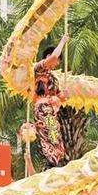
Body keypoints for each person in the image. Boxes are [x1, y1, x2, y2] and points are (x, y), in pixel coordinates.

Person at [33, 35, 70, 167]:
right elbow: (53, 58)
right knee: (49, 134)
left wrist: (65, 95)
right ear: (48, 56)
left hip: (51, 110)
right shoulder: (39, 68)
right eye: (57, 61)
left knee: (55, 135)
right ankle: (52, 161)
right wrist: (63, 41)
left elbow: (61, 96)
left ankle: (58, 160)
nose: (57, 64)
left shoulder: (53, 78)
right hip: (43, 108)